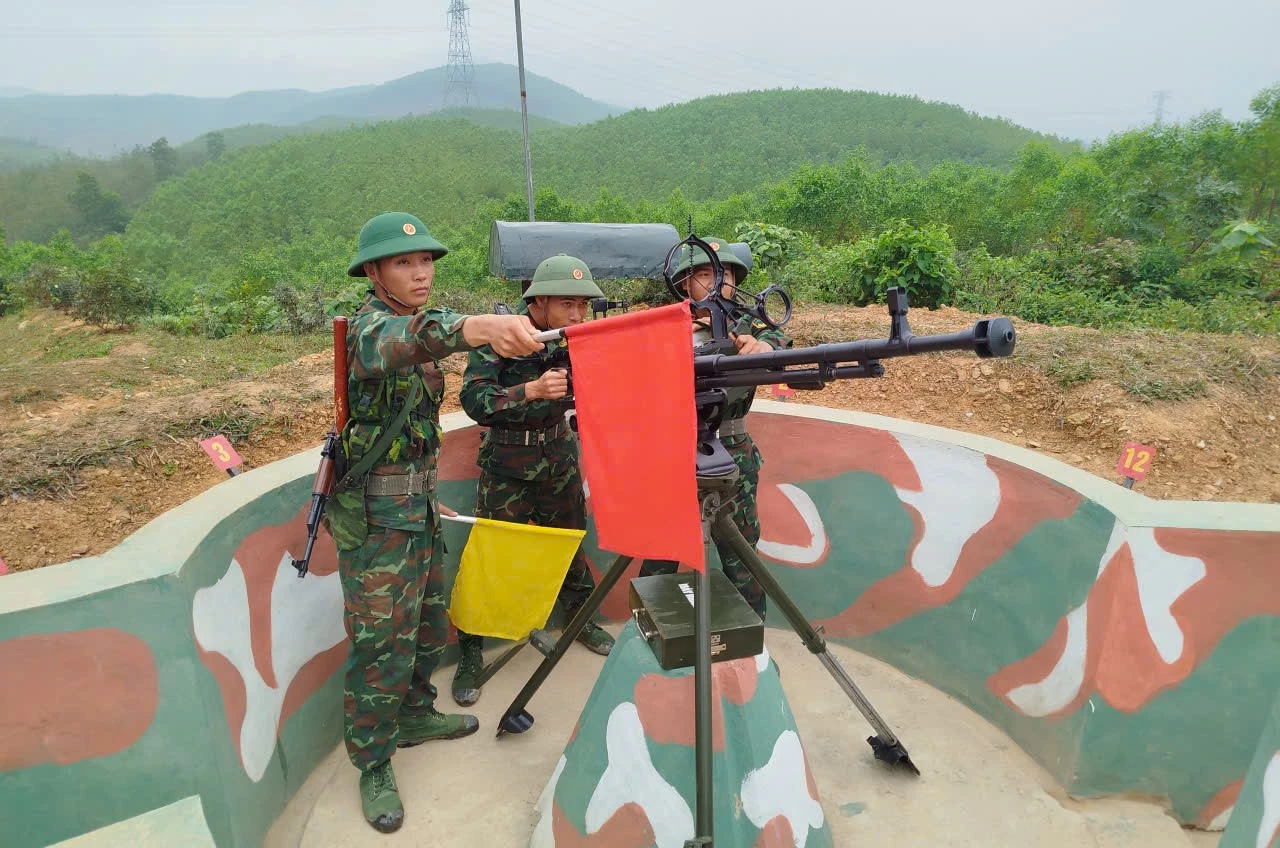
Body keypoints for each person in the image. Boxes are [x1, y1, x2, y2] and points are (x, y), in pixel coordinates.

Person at [323, 211, 544, 834]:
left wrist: (424, 494)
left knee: (424, 623)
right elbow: (415, 337)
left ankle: (417, 712)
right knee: (378, 644)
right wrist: (480, 327)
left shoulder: (411, 329)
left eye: (426, 262)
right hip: (376, 523)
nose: (421, 272)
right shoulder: (370, 329)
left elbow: (411, 429)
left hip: (415, 509)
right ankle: (372, 760)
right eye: (404, 262)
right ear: (374, 272)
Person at [451, 254, 617, 706]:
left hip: (558, 456)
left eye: (584, 306)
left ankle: (583, 621)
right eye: (568, 304)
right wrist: (529, 390)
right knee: (493, 556)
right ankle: (471, 651)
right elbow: (474, 399)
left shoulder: (574, 339)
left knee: (567, 544)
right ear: (538, 301)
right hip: (508, 465)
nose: (578, 314)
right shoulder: (500, 340)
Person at [637, 238, 791, 620]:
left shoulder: (748, 325)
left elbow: (777, 344)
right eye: (707, 274)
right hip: (676, 450)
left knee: (740, 553)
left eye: (726, 275)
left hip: (732, 449)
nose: (719, 283)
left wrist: (761, 348)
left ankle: (754, 643)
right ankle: (649, 633)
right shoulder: (663, 327)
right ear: (685, 282)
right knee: (662, 550)